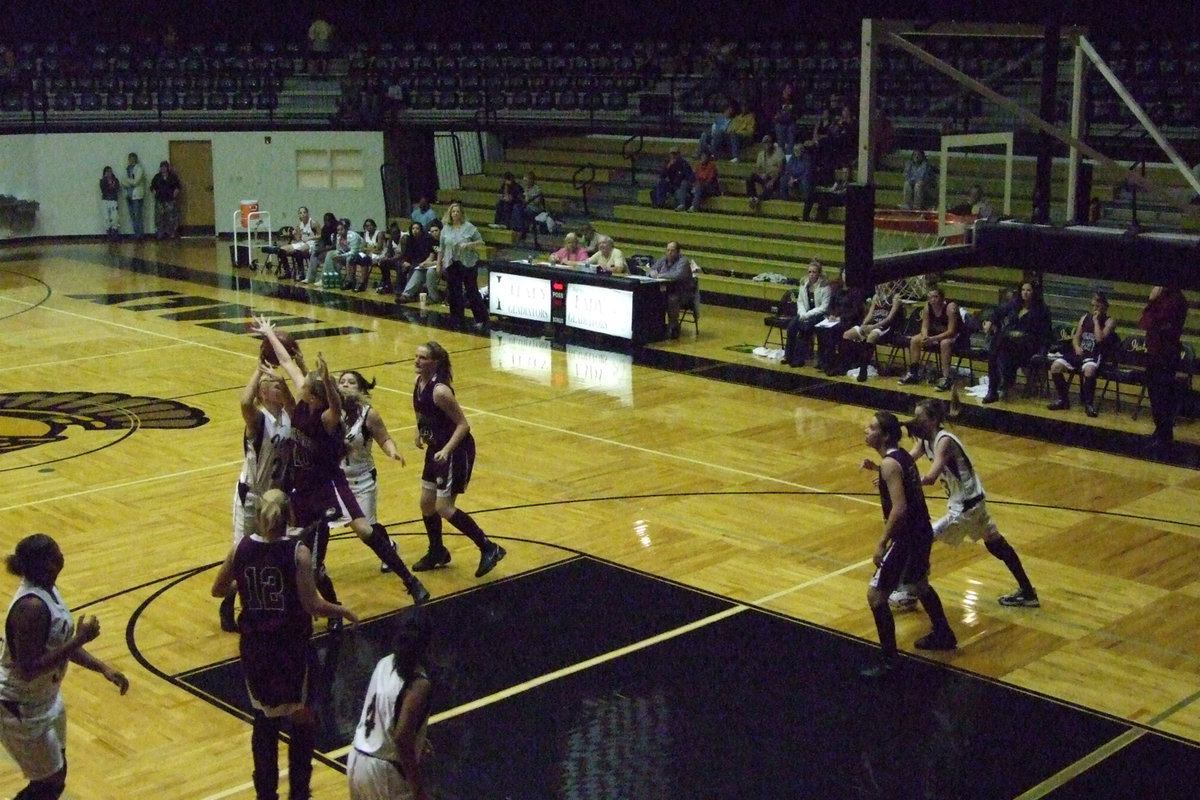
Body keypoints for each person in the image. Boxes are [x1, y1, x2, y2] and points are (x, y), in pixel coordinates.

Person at [255, 317, 430, 606]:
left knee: (364, 531)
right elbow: (286, 361)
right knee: (309, 554)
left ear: (314, 395)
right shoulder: (303, 403)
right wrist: (269, 333)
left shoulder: (327, 417)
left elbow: (335, 402)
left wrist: (327, 380)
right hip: (304, 487)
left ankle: (410, 581)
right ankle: (326, 604)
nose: (300, 382)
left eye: (306, 384)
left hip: (329, 484)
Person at [211, 490, 358, 800]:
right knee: (302, 721)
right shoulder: (297, 553)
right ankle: (299, 794)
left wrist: (243, 581)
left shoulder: (240, 548)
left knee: (264, 721)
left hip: (255, 651)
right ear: (289, 515)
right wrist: (341, 609)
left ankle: (266, 794)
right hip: (291, 651)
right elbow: (312, 605)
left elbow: (218, 589)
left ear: (260, 516)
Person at [0, 534, 129, 800]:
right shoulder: (31, 608)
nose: (62, 556)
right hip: (19, 704)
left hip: (45, 697)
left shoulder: (49, 590)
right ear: (47, 563)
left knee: (56, 775)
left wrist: (102, 668)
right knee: (49, 784)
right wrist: (80, 638)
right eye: (56, 553)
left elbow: (59, 645)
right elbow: (28, 669)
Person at [889, 399, 1039, 610]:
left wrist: (903, 483)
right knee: (997, 545)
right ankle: (1028, 592)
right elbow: (904, 461)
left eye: (919, 417)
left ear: (933, 420)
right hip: (973, 503)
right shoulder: (924, 441)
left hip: (965, 507)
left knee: (922, 538)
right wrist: (882, 468)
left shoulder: (944, 441)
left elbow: (931, 477)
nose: (916, 421)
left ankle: (910, 590)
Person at [858, 412, 957, 678]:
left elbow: (899, 508)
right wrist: (876, 469)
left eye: (872, 427)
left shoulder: (890, 464)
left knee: (876, 596)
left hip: (908, 537)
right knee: (919, 584)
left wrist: (882, 543)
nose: (866, 430)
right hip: (922, 531)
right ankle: (944, 633)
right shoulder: (900, 457)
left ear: (885, 435)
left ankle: (890, 661)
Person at [409, 341, 507, 579]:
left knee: (443, 507)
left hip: (455, 450)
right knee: (426, 504)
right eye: (416, 356)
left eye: (423, 357)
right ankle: (437, 551)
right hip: (436, 448)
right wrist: (418, 431)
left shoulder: (441, 391)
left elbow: (464, 425)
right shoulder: (418, 382)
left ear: (435, 362)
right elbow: (421, 412)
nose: (417, 360)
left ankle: (489, 547)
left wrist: (446, 450)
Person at [220, 362, 295, 633]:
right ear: (263, 393)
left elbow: (294, 403)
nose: (280, 386)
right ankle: (228, 604)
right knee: (243, 555)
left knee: (271, 553)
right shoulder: (259, 419)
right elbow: (244, 402)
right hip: (251, 496)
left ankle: (265, 605)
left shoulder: (288, 416)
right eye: (274, 385)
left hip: (274, 498)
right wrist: (258, 369)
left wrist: (282, 379)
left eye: (281, 383)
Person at [348, 609, 434, 800]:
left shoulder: (384, 663)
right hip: (384, 772)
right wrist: (418, 789)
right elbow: (402, 737)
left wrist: (419, 739)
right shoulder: (419, 684)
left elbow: (385, 711)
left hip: (357, 760)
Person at [337, 371, 407, 573]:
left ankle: (389, 548)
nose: (345, 385)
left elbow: (384, 439)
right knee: (321, 521)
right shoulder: (331, 410)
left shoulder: (369, 414)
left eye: (351, 382)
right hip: (338, 479)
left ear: (360, 389)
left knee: (367, 528)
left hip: (362, 478)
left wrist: (392, 451)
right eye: (342, 382)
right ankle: (317, 565)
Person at [1047, 291, 1117, 417]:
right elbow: (1076, 337)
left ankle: (1088, 404)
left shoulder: (1110, 321)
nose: (1095, 308)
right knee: (1055, 366)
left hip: (1096, 354)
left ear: (1104, 306)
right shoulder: (1084, 318)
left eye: (1098, 306)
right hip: (1080, 352)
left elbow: (1099, 339)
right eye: (1093, 305)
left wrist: (1096, 321)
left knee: (1089, 370)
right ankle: (1063, 400)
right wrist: (1076, 347)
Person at [981, 281, 1052, 404]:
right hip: (1010, 342)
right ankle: (992, 390)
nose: (1025, 293)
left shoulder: (1042, 310)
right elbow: (998, 312)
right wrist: (990, 322)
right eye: (1023, 290)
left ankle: (1000, 385)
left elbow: (1046, 334)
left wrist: (1042, 352)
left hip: (1029, 345)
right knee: (999, 345)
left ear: (1034, 292)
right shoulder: (1014, 304)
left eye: (1028, 290)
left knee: (999, 344)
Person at [1139, 285, 1189, 448]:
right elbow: (1143, 323)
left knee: (1163, 396)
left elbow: (1152, 323)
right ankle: (1159, 431)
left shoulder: (1176, 299)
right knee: (1155, 395)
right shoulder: (1164, 297)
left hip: (1166, 355)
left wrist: (1152, 301)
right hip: (1154, 354)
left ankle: (1165, 435)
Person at [898, 284, 960, 391]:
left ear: (942, 298)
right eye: (931, 297)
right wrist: (925, 336)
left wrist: (933, 339)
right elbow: (925, 326)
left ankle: (946, 378)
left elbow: (951, 331)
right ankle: (914, 373)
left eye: (936, 297)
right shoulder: (928, 306)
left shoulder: (950, 307)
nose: (933, 300)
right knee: (915, 340)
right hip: (936, 334)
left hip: (957, 337)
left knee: (944, 343)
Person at [438, 202, 488, 327]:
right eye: (453, 211)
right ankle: (456, 318)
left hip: (468, 263)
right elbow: (441, 248)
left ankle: (481, 319)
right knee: (454, 292)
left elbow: (481, 242)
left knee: (471, 291)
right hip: (452, 263)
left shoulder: (469, 227)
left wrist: (469, 244)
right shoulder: (445, 229)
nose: (455, 214)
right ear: (450, 214)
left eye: (457, 211)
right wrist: (439, 263)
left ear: (461, 214)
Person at [843, 283, 904, 382]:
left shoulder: (895, 297)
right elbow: (871, 314)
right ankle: (851, 363)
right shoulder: (876, 296)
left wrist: (873, 327)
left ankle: (863, 369)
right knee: (848, 334)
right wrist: (863, 325)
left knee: (871, 336)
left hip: (887, 328)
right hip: (874, 324)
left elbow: (889, 318)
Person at [783, 260, 831, 368]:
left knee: (805, 328)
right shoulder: (804, 284)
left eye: (814, 272)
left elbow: (824, 307)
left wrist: (808, 315)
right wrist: (802, 314)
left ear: (819, 273)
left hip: (819, 315)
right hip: (804, 313)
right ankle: (788, 356)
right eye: (810, 272)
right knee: (791, 327)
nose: (811, 274)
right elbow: (800, 301)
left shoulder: (825, 287)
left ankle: (799, 359)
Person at [648, 241, 697, 339]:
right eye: (668, 250)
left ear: (678, 252)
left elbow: (678, 275)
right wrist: (652, 273)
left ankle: (673, 326)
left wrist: (661, 275)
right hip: (666, 290)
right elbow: (650, 270)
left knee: (672, 299)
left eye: (672, 250)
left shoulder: (683, 261)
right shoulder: (663, 259)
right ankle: (656, 325)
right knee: (652, 297)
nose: (669, 253)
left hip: (683, 293)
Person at [397, 220, 442, 304]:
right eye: (432, 231)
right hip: (435, 264)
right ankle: (406, 294)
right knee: (419, 270)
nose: (434, 233)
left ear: (441, 230)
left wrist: (431, 263)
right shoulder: (432, 241)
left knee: (430, 272)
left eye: (436, 231)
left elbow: (446, 259)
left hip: (445, 265)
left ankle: (434, 297)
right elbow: (431, 255)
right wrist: (425, 263)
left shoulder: (445, 241)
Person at [277, 207, 320, 281]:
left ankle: (301, 273)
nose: (302, 214)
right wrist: (294, 234)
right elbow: (298, 239)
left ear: (307, 213)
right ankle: (287, 271)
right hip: (302, 242)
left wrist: (310, 238)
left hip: (312, 243)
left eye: (304, 212)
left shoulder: (313, 223)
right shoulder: (299, 225)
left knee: (298, 251)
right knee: (281, 250)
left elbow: (321, 235)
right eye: (300, 213)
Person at [746, 134, 784, 212]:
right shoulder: (761, 154)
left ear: (772, 143)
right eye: (765, 143)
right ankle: (752, 197)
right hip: (765, 175)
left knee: (770, 185)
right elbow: (758, 168)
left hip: (775, 177)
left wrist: (772, 180)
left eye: (768, 142)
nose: (767, 145)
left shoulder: (778, 152)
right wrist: (761, 174)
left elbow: (780, 169)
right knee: (751, 176)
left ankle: (758, 199)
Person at [346, 218, 385, 292]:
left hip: (378, 255)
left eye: (370, 225)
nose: (369, 227)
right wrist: (369, 249)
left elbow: (379, 248)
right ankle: (352, 280)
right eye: (367, 226)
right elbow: (362, 248)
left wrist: (367, 249)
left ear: (374, 226)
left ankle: (362, 282)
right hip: (368, 254)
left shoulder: (379, 234)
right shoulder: (366, 234)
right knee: (353, 258)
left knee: (365, 259)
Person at [650, 146, 694, 211]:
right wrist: (668, 167)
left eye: (675, 154)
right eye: (672, 154)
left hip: (679, 186)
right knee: (661, 184)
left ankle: (679, 204)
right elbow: (662, 176)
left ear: (679, 155)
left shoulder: (684, 164)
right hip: (671, 185)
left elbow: (689, 177)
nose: (673, 156)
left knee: (679, 195)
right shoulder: (668, 163)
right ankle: (660, 203)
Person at [150, 160, 182, 240]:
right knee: (159, 217)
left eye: (165, 167)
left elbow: (178, 186)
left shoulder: (173, 177)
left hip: (170, 199)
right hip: (160, 199)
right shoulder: (157, 177)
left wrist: (175, 194)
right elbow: (152, 186)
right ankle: (160, 233)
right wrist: (154, 192)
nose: (163, 168)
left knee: (171, 217)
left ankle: (172, 233)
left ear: (168, 168)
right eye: (162, 167)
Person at [121, 152, 146, 240]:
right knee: (132, 216)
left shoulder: (139, 169)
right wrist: (129, 182)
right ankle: (136, 233)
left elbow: (136, 182)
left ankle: (140, 234)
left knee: (138, 216)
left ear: (136, 159)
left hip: (137, 196)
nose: (131, 160)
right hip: (129, 195)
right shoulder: (127, 169)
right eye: (130, 159)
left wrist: (128, 181)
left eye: (133, 158)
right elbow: (122, 182)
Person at [100, 166, 121, 242]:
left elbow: (117, 188)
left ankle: (115, 234)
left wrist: (112, 185)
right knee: (106, 218)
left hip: (113, 200)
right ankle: (109, 235)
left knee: (115, 217)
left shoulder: (115, 180)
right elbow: (103, 189)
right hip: (105, 201)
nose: (109, 173)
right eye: (107, 172)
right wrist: (107, 182)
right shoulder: (102, 181)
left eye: (110, 171)